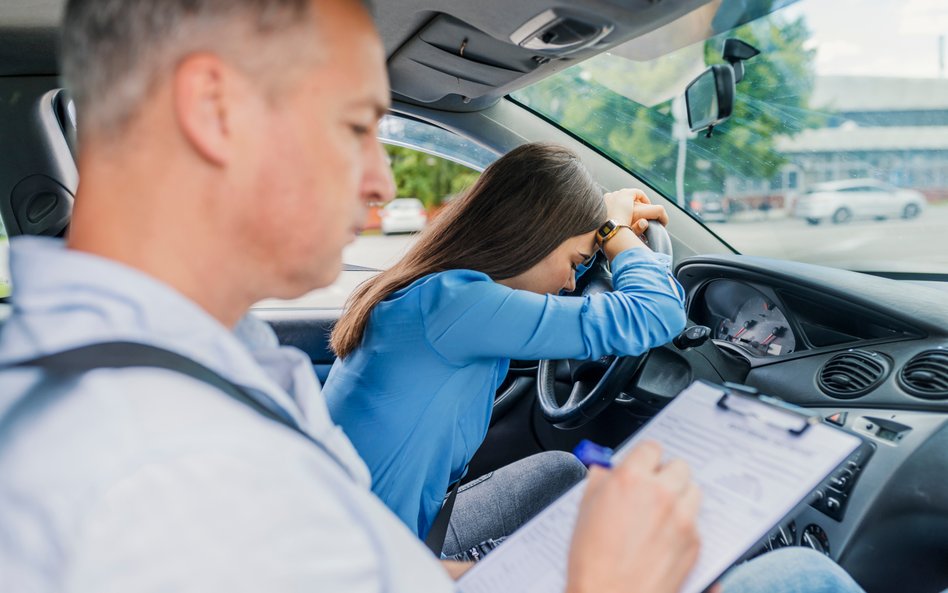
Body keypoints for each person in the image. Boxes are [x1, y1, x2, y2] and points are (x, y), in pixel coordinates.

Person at [0, 1, 869, 592]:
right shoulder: (154, 462)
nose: (383, 183)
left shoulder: (201, 378)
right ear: (215, 109)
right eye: (354, 127)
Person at [325, 141, 687, 555]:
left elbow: (562, 285)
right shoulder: (459, 306)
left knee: (562, 472)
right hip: (379, 566)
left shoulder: (437, 292)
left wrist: (592, 242)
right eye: (573, 262)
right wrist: (614, 233)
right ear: (534, 237)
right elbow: (656, 313)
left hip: (405, 529)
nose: (571, 282)